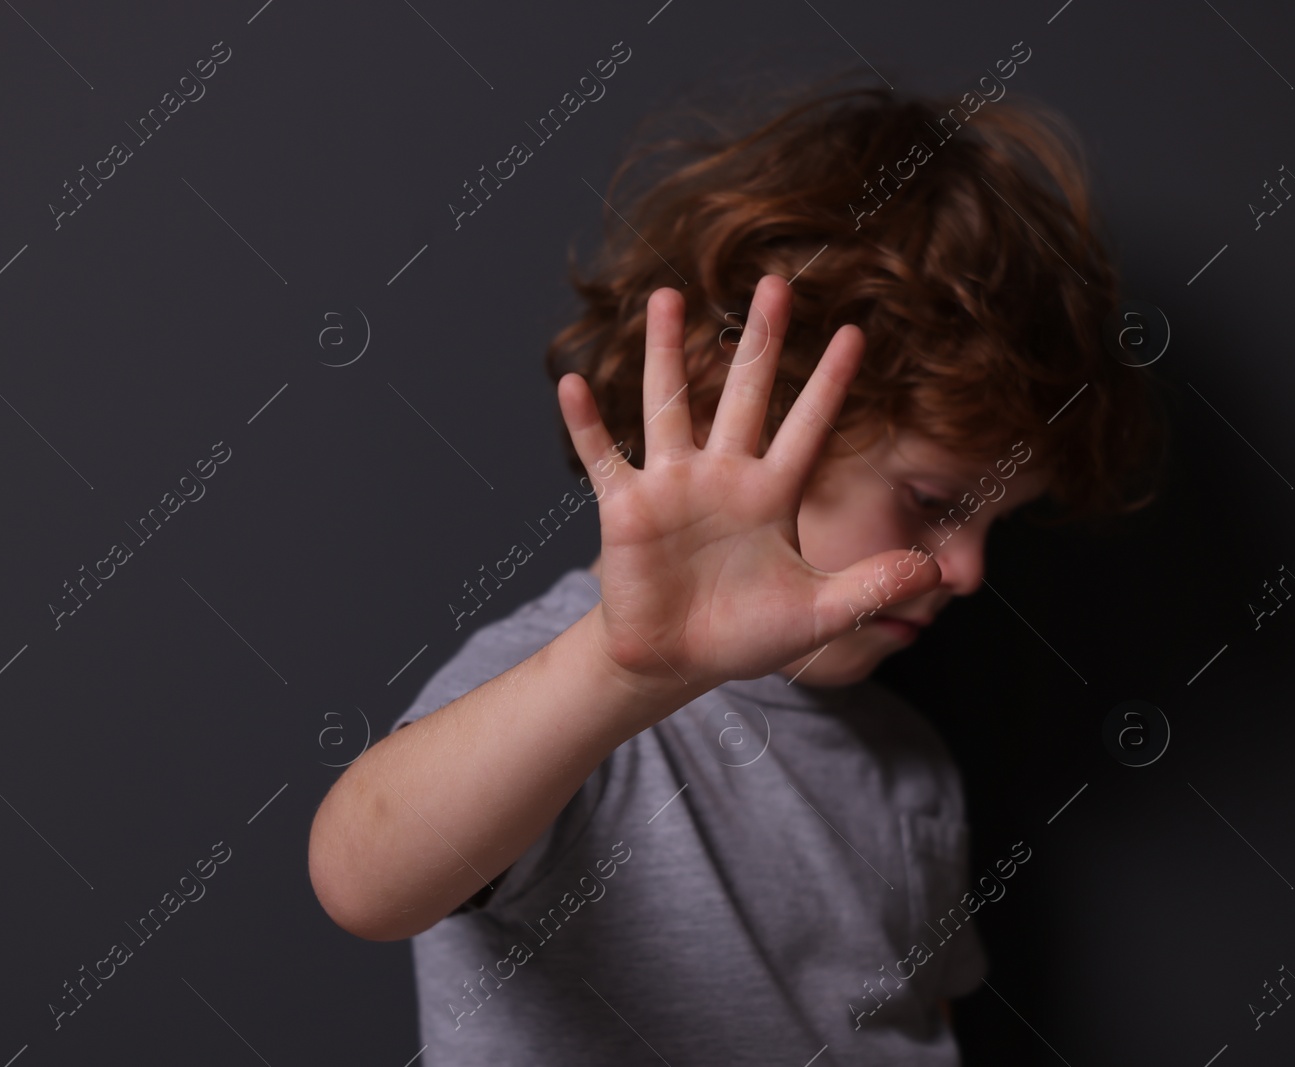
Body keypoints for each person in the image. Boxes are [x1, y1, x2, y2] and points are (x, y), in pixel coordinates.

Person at [307, 77, 1166, 1065]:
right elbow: (363, 881)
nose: (968, 570)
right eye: (934, 503)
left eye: (997, 526)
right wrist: (623, 672)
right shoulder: (564, 696)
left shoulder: (908, 760)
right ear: (739, 413)